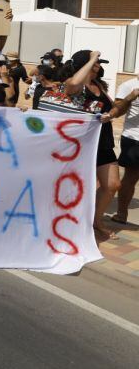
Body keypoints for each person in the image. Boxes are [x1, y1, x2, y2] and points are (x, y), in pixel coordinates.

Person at [58, 50, 120, 241]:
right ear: (85, 64)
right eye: (95, 63)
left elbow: (112, 108)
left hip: (103, 142)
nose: (99, 66)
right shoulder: (72, 84)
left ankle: (96, 221)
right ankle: (70, 222)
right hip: (79, 145)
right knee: (75, 187)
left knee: (112, 184)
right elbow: (74, 84)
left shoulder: (98, 85)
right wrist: (92, 57)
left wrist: (113, 113)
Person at [105, 77, 139, 226]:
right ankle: (121, 213)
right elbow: (116, 111)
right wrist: (130, 97)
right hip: (134, 137)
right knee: (131, 178)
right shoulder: (129, 85)